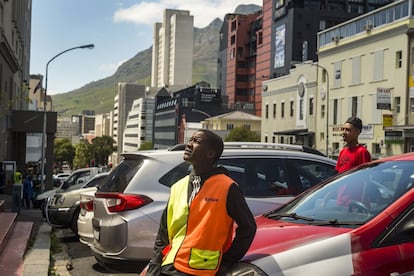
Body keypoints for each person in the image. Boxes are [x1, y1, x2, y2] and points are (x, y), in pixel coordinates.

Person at [145, 129, 257, 275]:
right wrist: (154, 266)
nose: (189, 144)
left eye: (196, 141)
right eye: (190, 140)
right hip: (169, 266)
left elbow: (248, 228)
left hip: (201, 271)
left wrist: (227, 262)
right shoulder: (178, 186)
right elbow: (163, 234)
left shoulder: (227, 187)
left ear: (210, 154)